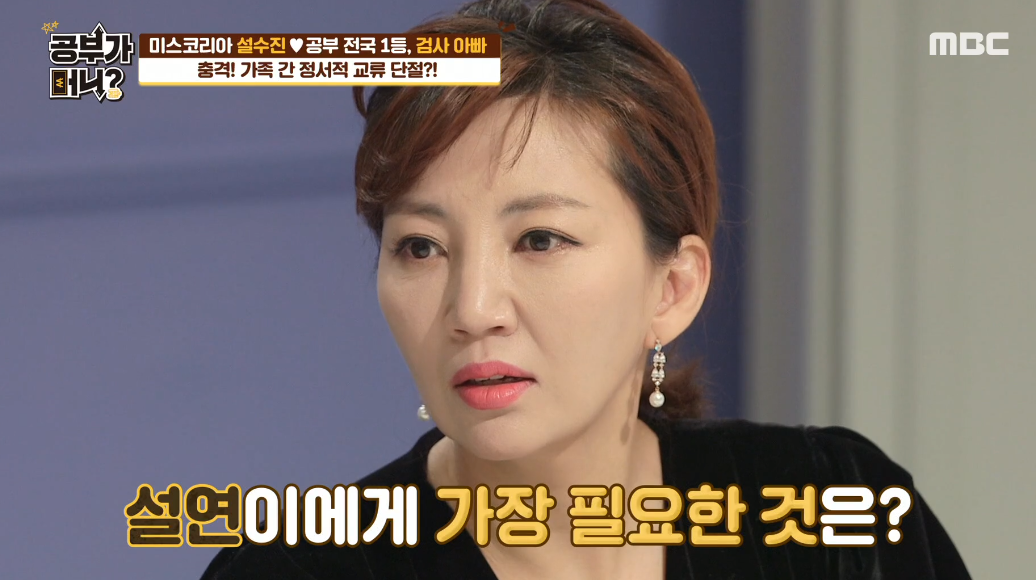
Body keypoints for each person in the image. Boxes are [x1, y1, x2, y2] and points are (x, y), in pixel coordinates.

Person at [200, 0, 970, 578]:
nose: (473, 310)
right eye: (421, 247)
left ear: (673, 287)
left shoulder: (839, 510)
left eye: (540, 239)